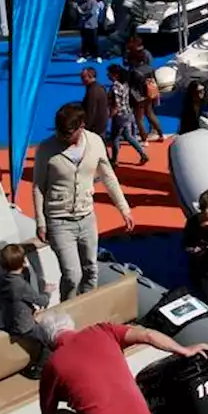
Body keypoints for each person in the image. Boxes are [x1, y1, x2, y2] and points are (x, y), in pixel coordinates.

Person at [35, 311, 208, 414]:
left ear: (48, 341)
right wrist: (184, 350)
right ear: (71, 326)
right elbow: (148, 335)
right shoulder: (103, 330)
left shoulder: (53, 365)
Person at [33, 103, 133, 299]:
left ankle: (88, 313)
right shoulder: (46, 149)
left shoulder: (95, 142)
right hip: (59, 220)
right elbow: (38, 186)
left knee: (91, 270)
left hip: (87, 217)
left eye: (68, 133)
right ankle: (67, 312)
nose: (63, 138)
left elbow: (108, 177)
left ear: (81, 126)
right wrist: (41, 221)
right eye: (60, 133)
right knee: (72, 275)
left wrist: (124, 209)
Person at [0, 243, 56, 379]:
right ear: (23, 262)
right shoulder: (20, 285)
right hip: (24, 326)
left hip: (9, 321)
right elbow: (42, 301)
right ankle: (38, 370)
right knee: (49, 341)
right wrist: (47, 291)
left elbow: (1, 303)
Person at [106, 65, 150, 166]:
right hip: (128, 113)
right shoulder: (125, 84)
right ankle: (143, 154)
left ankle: (115, 159)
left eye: (109, 73)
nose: (107, 75)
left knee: (115, 138)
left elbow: (116, 105)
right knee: (128, 136)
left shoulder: (115, 87)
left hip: (120, 116)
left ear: (115, 75)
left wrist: (109, 116)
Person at [123, 36, 164, 142]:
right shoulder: (149, 68)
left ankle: (144, 138)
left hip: (138, 97)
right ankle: (161, 134)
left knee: (139, 119)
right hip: (149, 94)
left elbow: (130, 84)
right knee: (150, 114)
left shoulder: (134, 72)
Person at [80, 67, 110, 137]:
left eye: (83, 77)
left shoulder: (92, 91)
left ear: (90, 76)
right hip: (102, 123)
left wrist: (86, 128)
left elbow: (91, 111)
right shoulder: (100, 87)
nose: (82, 80)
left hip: (95, 127)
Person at [78, 0, 103, 64]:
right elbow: (80, 9)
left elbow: (92, 12)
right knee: (84, 42)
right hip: (85, 26)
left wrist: (83, 14)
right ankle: (83, 56)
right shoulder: (84, 3)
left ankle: (98, 56)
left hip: (93, 25)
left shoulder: (93, 2)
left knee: (94, 42)